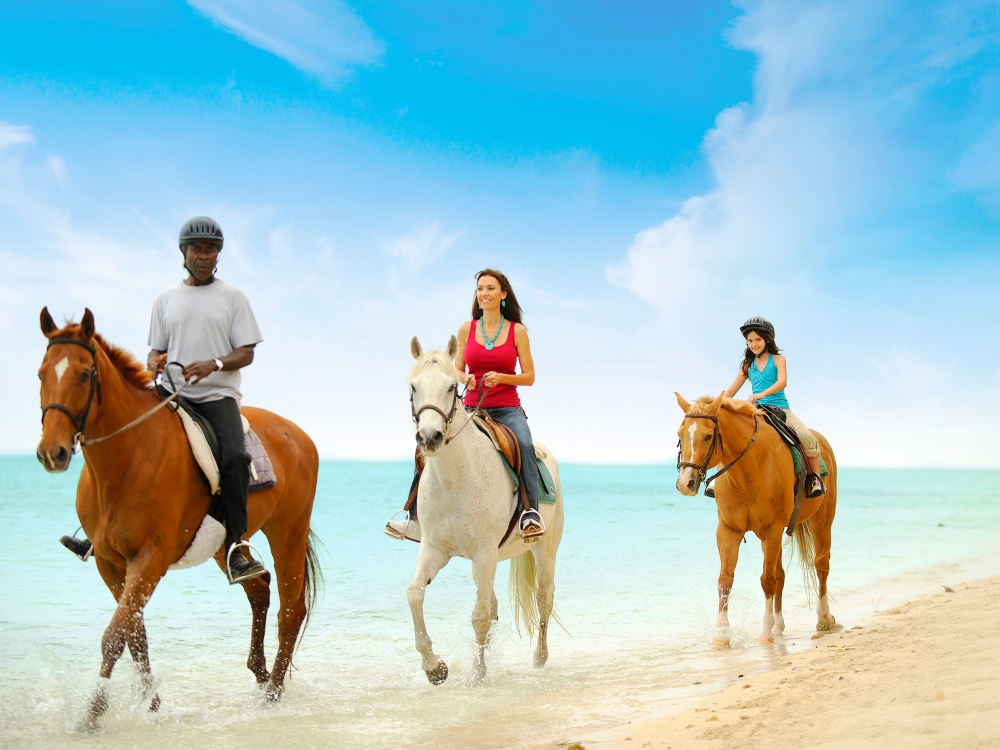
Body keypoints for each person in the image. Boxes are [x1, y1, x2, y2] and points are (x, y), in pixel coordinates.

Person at [59, 216, 268, 584]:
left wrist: (215, 364)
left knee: (235, 457)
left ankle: (236, 546)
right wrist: (154, 361)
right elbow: (156, 349)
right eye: (196, 249)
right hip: (172, 392)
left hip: (217, 396)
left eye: (210, 249)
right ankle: (93, 531)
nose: (203, 256)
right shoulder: (165, 299)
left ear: (218, 254)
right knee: (122, 439)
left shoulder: (233, 297)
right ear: (184, 253)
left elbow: (247, 352)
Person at [385, 268, 545, 541]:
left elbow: (529, 376)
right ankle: (411, 515)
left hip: (506, 408)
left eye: (490, 288)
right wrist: (465, 377)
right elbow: (456, 369)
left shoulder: (517, 331)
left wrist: (502, 377)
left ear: (503, 294)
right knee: (424, 443)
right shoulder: (466, 329)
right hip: (470, 407)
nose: (484, 293)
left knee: (525, 444)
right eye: (480, 289)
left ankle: (530, 513)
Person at [723, 316, 826, 498]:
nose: (754, 344)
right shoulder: (747, 367)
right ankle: (718, 481)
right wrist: (715, 405)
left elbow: (782, 382)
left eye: (758, 340)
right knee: (729, 436)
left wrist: (762, 394)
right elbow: (731, 390)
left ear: (767, 340)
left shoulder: (778, 360)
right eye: (750, 341)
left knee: (806, 436)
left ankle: (815, 478)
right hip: (755, 410)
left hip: (780, 408)